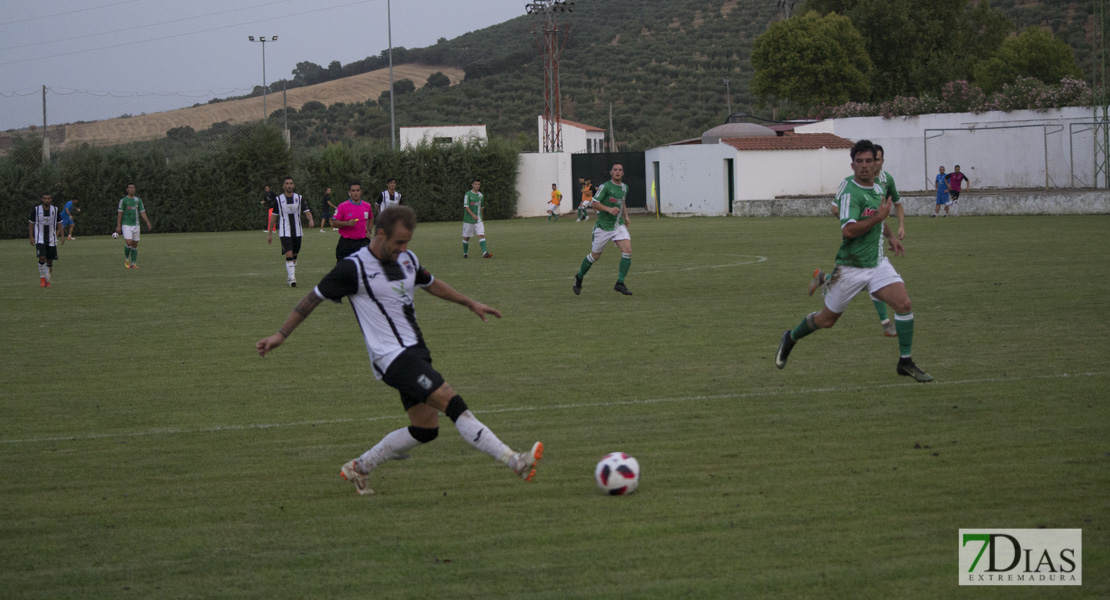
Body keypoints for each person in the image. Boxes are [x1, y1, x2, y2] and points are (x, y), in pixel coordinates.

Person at [255, 206, 543, 496]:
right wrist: (281, 335)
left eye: (407, 242)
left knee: (425, 429)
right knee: (452, 402)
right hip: (391, 358)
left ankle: (359, 467)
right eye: (399, 242)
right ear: (381, 233)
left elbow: (431, 284)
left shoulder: (407, 259)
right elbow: (311, 299)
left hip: (416, 352)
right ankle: (515, 461)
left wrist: (470, 303)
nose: (403, 248)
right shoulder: (353, 268)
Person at [775, 139, 932, 383]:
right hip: (850, 267)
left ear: (876, 163)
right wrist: (878, 217)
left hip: (877, 263)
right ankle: (791, 337)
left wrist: (890, 235)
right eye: (859, 162)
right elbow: (848, 231)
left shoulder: (880, 187)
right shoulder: (850, 191)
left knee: (904, 304)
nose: (865, 166)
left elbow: (879, 217)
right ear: (852, 165)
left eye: (869, 161)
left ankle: (905, 361)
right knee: (825, 321)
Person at [809, 144, 904, 337]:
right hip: (856, 239)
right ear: (854, 165)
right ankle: (827, 280)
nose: (870, 165)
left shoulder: (885, 182)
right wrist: (854, 219)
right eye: (863, 161)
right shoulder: (849, 184)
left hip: (875, 241)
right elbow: (835, 207)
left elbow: (895, 204)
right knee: (864, 280)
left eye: (874, 160)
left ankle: (886, 324)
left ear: (881, 162)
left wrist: (894, 232)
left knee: (876, 278)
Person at [572, 163, 633, 296]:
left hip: (617, 225)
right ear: (611, 172)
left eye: (620, 170)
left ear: (622, 173)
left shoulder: (624, 187)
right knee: (595, 256)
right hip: (603, 227)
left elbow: (622, 202)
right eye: (615, 170)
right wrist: (608, 209)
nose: (617, 172)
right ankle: (579, 277)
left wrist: (626, 216)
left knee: (627, 251)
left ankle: (620, 283)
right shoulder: (605, 187)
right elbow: (594, 203)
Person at [268, 176, 314, 286]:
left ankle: (290, 276)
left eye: (291, 183)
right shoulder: (279, 200)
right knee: (288, 254)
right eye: (287, 183)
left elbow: (307, 212)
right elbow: (273, 218)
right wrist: (270, 234)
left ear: (293, 185)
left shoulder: (299, 198)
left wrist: (311, 220)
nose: (289, 185)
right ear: (284, 186)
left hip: (297, 231)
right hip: (285, 231)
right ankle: (292, 279)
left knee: (294, 255)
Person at [29, 192, 64, 287]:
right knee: (42, 257)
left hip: (52, 239)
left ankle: (48, 281)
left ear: (51, 199)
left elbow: (59, 223)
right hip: (40, 238)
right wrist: (31, 236)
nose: (46, 200)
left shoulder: (55, 210)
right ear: (42, 199)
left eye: (48, 198)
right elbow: (31, 223)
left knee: (49, 261)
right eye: (45, 198)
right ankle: (42, 278)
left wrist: (62, 235)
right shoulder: (36, 210)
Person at [116, 183, 154, 269]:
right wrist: (118, 226)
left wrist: (147, 222)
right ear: (127, 189)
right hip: (126, 224)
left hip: (136, 225)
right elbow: (120, 213)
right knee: (129, 242)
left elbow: (142, 212)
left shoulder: (138, 200)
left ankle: (133, 263)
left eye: (133, 187)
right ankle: (126, 259)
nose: (132, 189)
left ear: (135, 189)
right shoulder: (123, 200)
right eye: (130, 188)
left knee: (135, 244)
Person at [333, 181, 373, 261]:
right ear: (349, 192)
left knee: (364, 267)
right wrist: (347, 223)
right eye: (353, 191)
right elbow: (334, 223)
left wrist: (369, 230)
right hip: (347, 242)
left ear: (361, 191)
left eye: (357, 190)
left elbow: (371, 218)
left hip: (363, 242)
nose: (355, 193)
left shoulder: (367, 206)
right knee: (344, 269)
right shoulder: (342, 206)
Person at [462, 179, 492, 258]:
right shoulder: (468, 194)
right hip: (468, 220)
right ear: (472, 185)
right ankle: (465, 253)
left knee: (481, 235)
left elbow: (481, 207)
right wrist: (473, 215)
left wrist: (481, 218)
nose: (477, 186)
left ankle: (484, 253)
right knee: (467, 237)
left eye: (479, 184)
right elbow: (466, 206)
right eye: (476, 184)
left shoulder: (481, 195)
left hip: (478, 220)